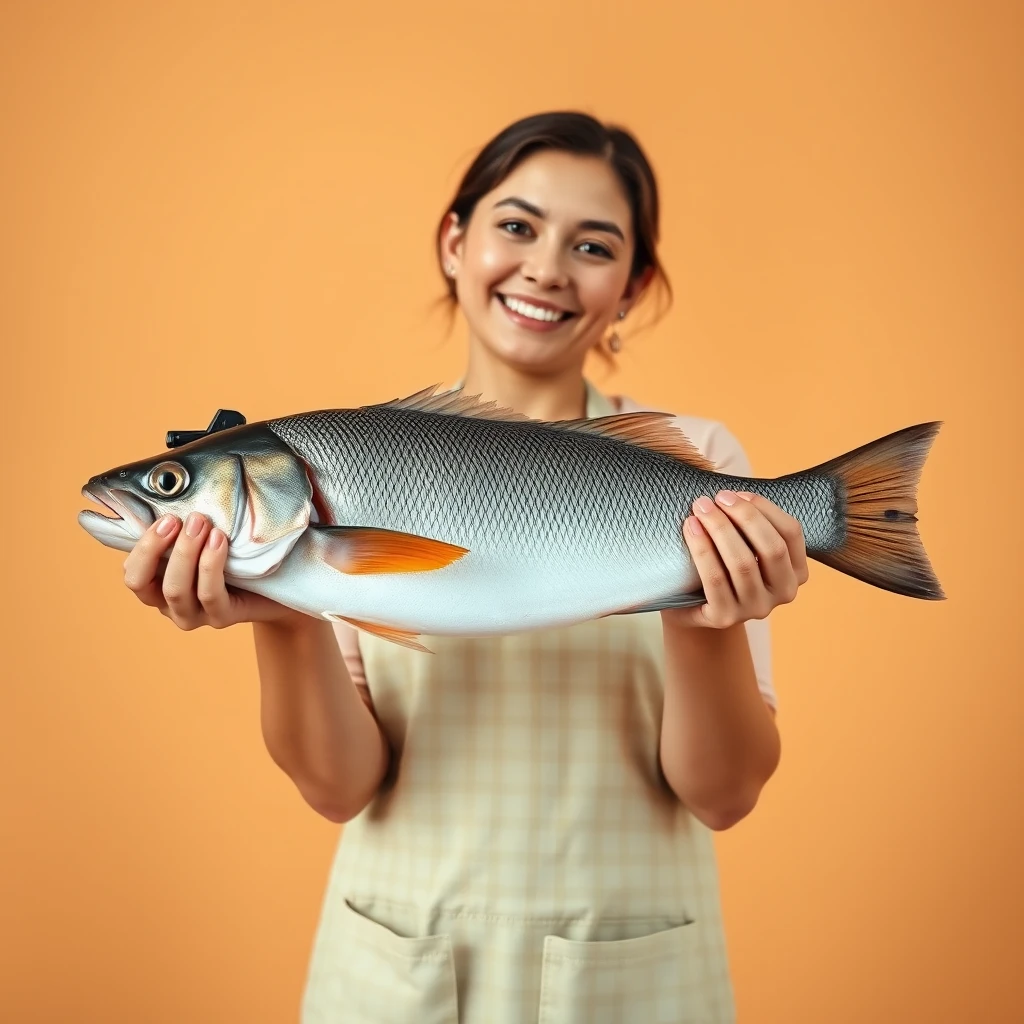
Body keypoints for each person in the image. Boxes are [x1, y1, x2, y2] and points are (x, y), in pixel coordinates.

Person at [121, 111, 808, 1023]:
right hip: (398, 972)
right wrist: (281, 608)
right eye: (516, 225)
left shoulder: (695, 462)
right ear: (456, 240)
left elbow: (723, 796)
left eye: (592, 245)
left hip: (633, 977)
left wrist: (702, 614)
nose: (547, 268)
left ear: (632, 285)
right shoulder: (358, 461)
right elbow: (339, 787)